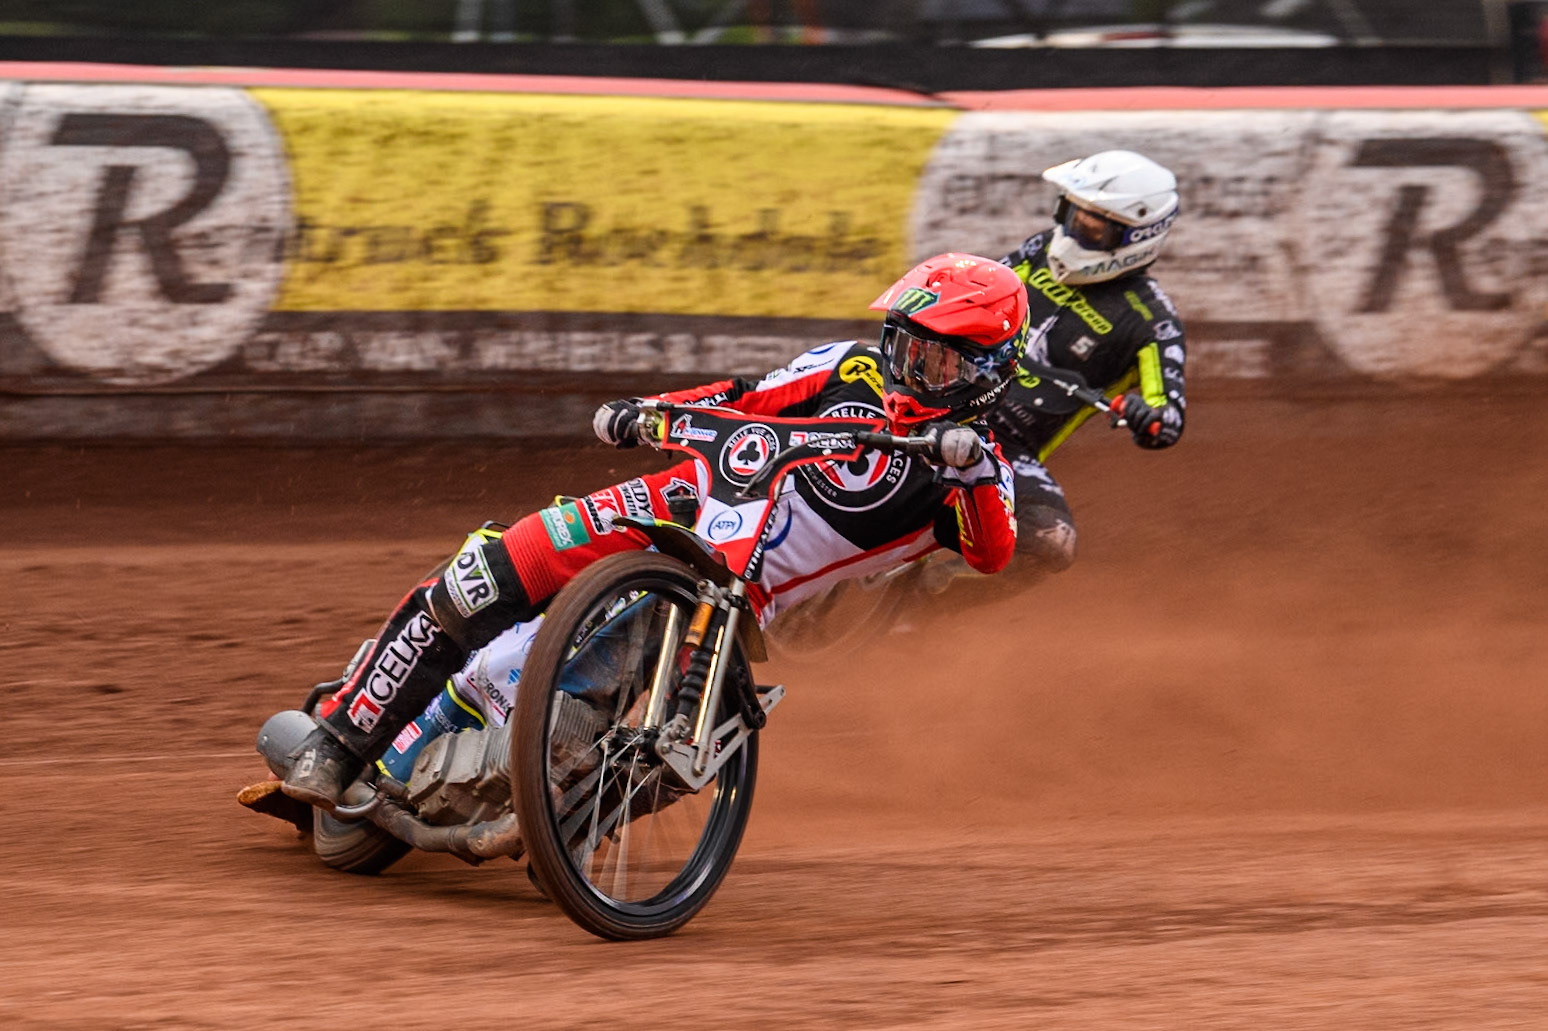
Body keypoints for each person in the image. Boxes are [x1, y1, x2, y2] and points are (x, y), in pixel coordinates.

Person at [282, 252, 1031, 810]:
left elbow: (993, 553)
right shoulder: (849, 367)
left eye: (938, 360)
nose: (911, 368)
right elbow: (744, 395)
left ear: (989, 373)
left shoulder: (971, 471)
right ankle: (339, 742)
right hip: (666, 501)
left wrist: (969, 467)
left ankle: (568, 815)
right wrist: (648, 408)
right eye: (905, 344)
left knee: (594, 708)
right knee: (485, 575)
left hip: (731, 595)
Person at [985, 149, 1187, 581]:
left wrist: (1146, 416)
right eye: (1071, 214)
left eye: (1092, 228)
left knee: (1053, 542)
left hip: (1006, 444)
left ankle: (926, 601)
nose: (1072, 231)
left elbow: (1169, 417)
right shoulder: (1040, 248)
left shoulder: (1153, 322)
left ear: (1136, 238)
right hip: (937, 390)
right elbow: (977, 290)